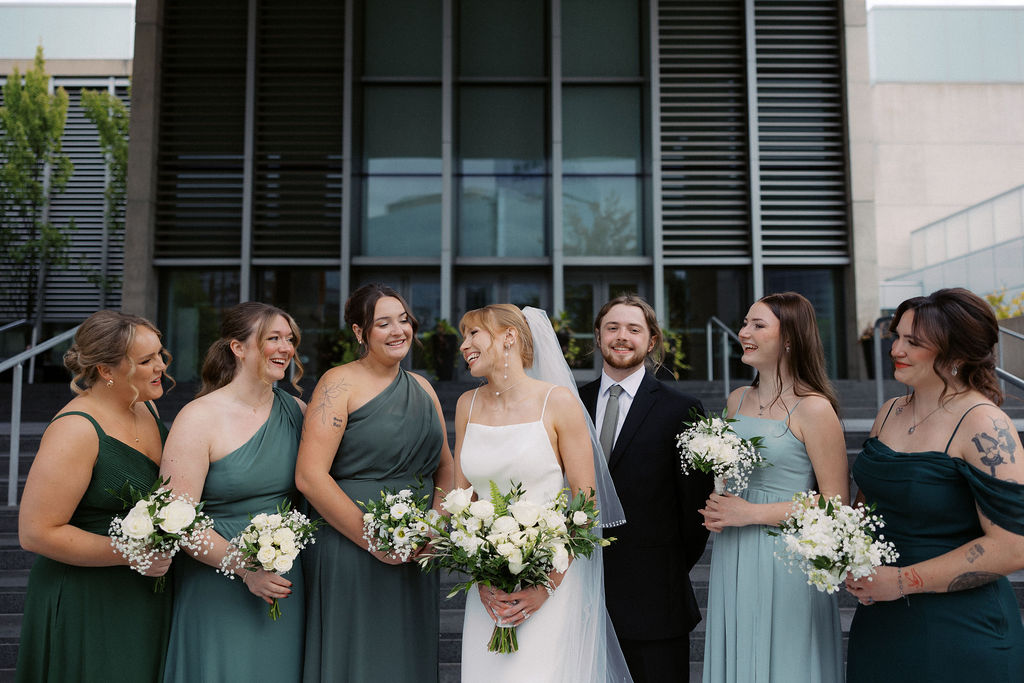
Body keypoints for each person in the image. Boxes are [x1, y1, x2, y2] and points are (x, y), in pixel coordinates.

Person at [845, 287, 1024, 681]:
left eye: (914, 342)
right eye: (896, 336)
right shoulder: (889, 410)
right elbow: (868, 505)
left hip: (960, 629)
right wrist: (838, 549)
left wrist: (902, 581)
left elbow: (1014, 548)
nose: (896, 349)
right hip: (882, 620)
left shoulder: (984, 423)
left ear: (956, 354)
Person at [456, 303, 631, 682]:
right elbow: (461, 500)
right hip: (488, 590)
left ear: (508, 336)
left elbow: (586, 503)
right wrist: (484, 578)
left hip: (550, 584)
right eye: (462, 336)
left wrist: (544, 587)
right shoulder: (466, 405)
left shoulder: (558, 402)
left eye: (473, 333)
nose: (463, 344)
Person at [296, 283, 453, 683]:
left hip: (416, 550)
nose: (398, 330)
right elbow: (310, 476)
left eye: (404, 320)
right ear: (359, 332)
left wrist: (434, 527)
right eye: (383, 323)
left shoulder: (424, 388)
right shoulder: (337, 384)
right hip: (351, 544)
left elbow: (446, 470)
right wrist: (374, 539)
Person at [17, 310, 173, 682]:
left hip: (144, 593)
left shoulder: (146, 406)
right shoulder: (76, 430)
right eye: (147, 360)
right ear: (107, 370)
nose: (161, 367)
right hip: (86, 597)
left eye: (161, 354)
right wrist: (132, 553)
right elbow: (35, 533)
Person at [700, 291, 847, 683]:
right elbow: (733, 475)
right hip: (733, 550)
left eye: (757, 325)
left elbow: (837, 504)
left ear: (789, 339)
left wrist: (750, 513)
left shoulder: (813, 408)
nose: (743, 331)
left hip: (787, 556)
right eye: (745, 323)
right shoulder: (737, 400)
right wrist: (720, 500)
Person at [159, 302, 307, 682]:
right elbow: (177, 518)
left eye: (288, 339)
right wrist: (246, 568)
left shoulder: (298, 412)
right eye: (271, 338)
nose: (285, 348)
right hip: (217, 582)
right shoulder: (198, 418)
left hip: (284, 584)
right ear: (237, 347)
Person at [578, 294, 711, 682]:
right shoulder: (570, 403)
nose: (622, 337)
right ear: (598, 336)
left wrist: (660, 567)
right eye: (613, 328)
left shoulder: (682, 408)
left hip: (655, 596)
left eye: (634, 329)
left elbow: (694, 511)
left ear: (651, 341)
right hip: (578, 594)